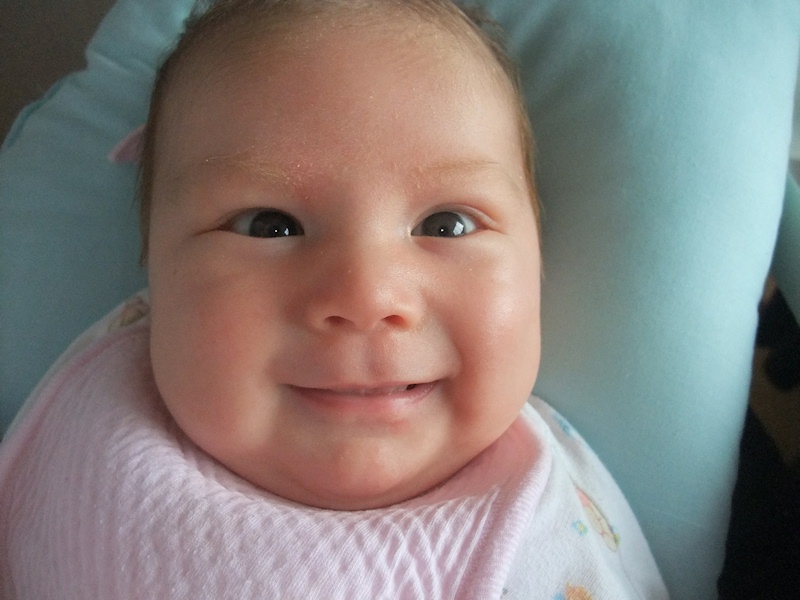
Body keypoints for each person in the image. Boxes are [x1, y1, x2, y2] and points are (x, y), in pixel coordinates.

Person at [0, 1, 669, 597]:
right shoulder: (93, 419)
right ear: (156, 267)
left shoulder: (539, 534)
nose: (366, 295)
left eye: (447, 225)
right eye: (269, 225)